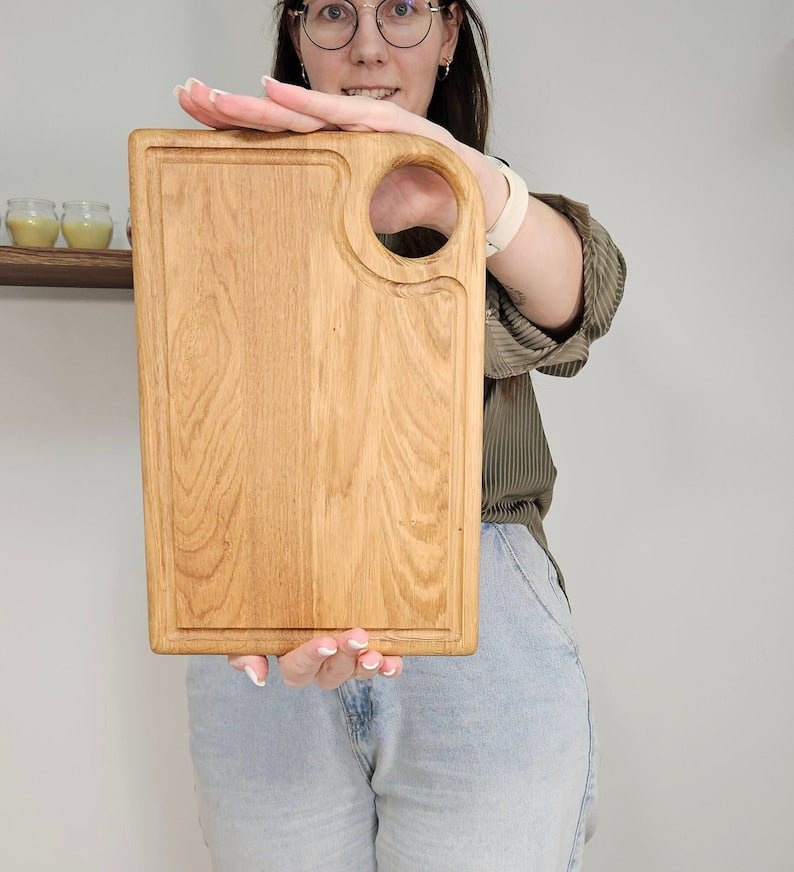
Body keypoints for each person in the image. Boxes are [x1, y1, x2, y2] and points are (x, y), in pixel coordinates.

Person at [175, 1, 626, 869]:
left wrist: (440, 184)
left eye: (404, 9)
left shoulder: (487, 212)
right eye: (335, 13)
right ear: (297, 37)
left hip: (478, 610)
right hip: (269, 617)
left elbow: (582, 300)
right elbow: (210, 409)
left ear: (451, 32)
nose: (371, 45)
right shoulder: (229, 202)